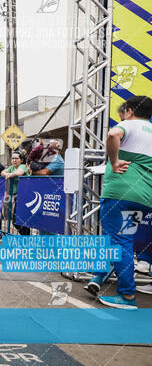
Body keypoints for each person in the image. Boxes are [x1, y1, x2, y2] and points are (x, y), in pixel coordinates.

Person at [85, 96, 152, 309]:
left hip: (119, 196)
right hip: (142, 197)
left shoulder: (129, 124)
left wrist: (113, 162)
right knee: (118, 240)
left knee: (119, 242)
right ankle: (99, 276)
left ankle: (127, 296)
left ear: (130, 110)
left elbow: (113, 134)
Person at [1, 151, 31, 235]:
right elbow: (2, 172)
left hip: (25, 195)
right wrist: (7, 174)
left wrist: (10, 175)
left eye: (16, 158)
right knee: (17, 220)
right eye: (13, 158)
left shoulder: (22, 166)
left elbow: (20, 173)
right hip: (17, 196)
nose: (14, 160)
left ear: (21, 160)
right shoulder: (12, 167)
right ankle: (26, 237)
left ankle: (26, 238)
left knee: (17, 219)